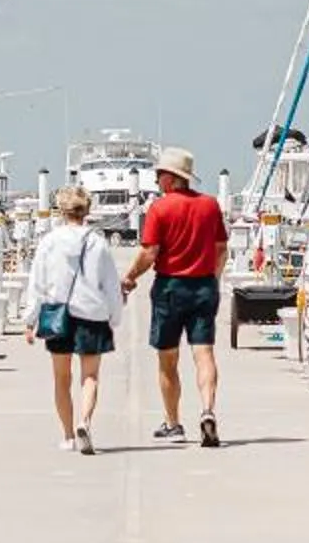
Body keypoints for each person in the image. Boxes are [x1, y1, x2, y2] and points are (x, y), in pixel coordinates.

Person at [124, 148, 227, 447]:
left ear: (170, 178)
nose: (156, 180)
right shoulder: (210, 206)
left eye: (159, 175)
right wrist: (214, 280)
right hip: (204, 287)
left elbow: (149, 252)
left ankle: (173, 423)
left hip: (170, 288)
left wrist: (130, 276)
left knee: (168, 359)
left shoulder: (160, 208)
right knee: (204, 353)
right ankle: (208, 410)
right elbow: (221, 249)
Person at [23, 183, 124, 455]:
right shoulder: (98, 242)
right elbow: (111, 285)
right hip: (92, 315)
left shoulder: (49, 242)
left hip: (58, 315)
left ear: (61, 210)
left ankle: (67, 435)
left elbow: (38, 284)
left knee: (61, 378)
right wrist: (114, 317)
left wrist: (30, 320)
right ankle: (85, 421)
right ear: (86, 210)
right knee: (90, 376)